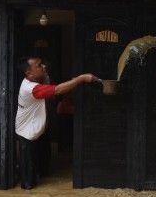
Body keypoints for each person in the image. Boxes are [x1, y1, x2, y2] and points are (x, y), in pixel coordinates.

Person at [14, 56, 99, 189]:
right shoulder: (30, 88)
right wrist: (81, 79)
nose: (44, 66)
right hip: (27, 133)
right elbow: (58, 90)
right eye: (39, 65)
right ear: (29, 73)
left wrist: (71, 83)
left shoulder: (44, 78)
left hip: (39, 128)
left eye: (43, 63)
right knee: (28, 179)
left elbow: (57, 88)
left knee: (43, 168)